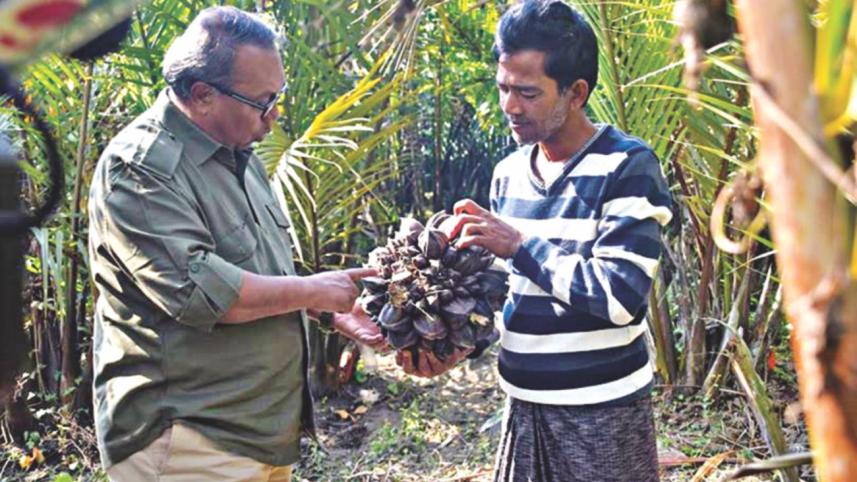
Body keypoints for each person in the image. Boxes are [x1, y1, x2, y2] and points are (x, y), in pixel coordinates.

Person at [87, 7, 384, 481]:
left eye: (278, 96)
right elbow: (204, 291)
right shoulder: (140, 168)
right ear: (203, 95)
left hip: (260, 430)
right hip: (189, 440)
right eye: (263, 102)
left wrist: (330, 310)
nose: (275, 115)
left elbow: (259, 273)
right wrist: (315, 289)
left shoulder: (241, 155)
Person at [399, 1, 673, 481]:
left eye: (527, 92)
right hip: (522, 408)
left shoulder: (628, 167)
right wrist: (455, 344)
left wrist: (520, 245)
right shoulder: (508, 174)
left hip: (602, 416)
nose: (510, 106)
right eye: (503, 87)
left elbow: (620, 297)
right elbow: (508, 294)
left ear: (576, 92)